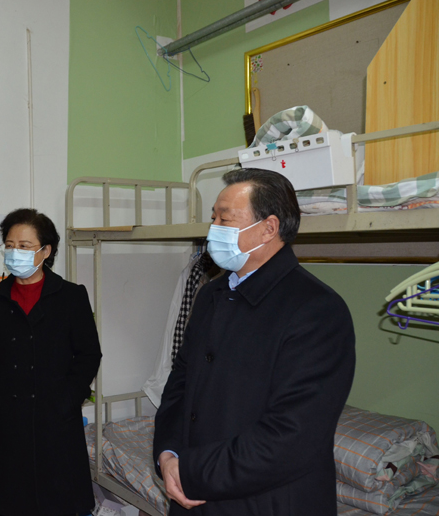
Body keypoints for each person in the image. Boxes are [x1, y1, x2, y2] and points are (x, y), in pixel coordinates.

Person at [153, 168, 356, 516]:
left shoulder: (317, 309)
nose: (213, 229)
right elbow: (180, 382)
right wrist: (168, 454)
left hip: (268, 501)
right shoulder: (211, 294)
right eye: (213, 218)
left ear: (268, 228)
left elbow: (291, 436)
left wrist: (191, 472)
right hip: (192, 491)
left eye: (225, 219)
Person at [0, 208, 102, 516]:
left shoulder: (71, 296)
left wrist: (67, 399)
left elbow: (89, 354)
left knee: (56, 501)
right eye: (9, 245)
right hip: (7, 423)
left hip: (55, 422)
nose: (14, 252)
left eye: (24, 246)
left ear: (46, 251)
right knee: (10, 502)